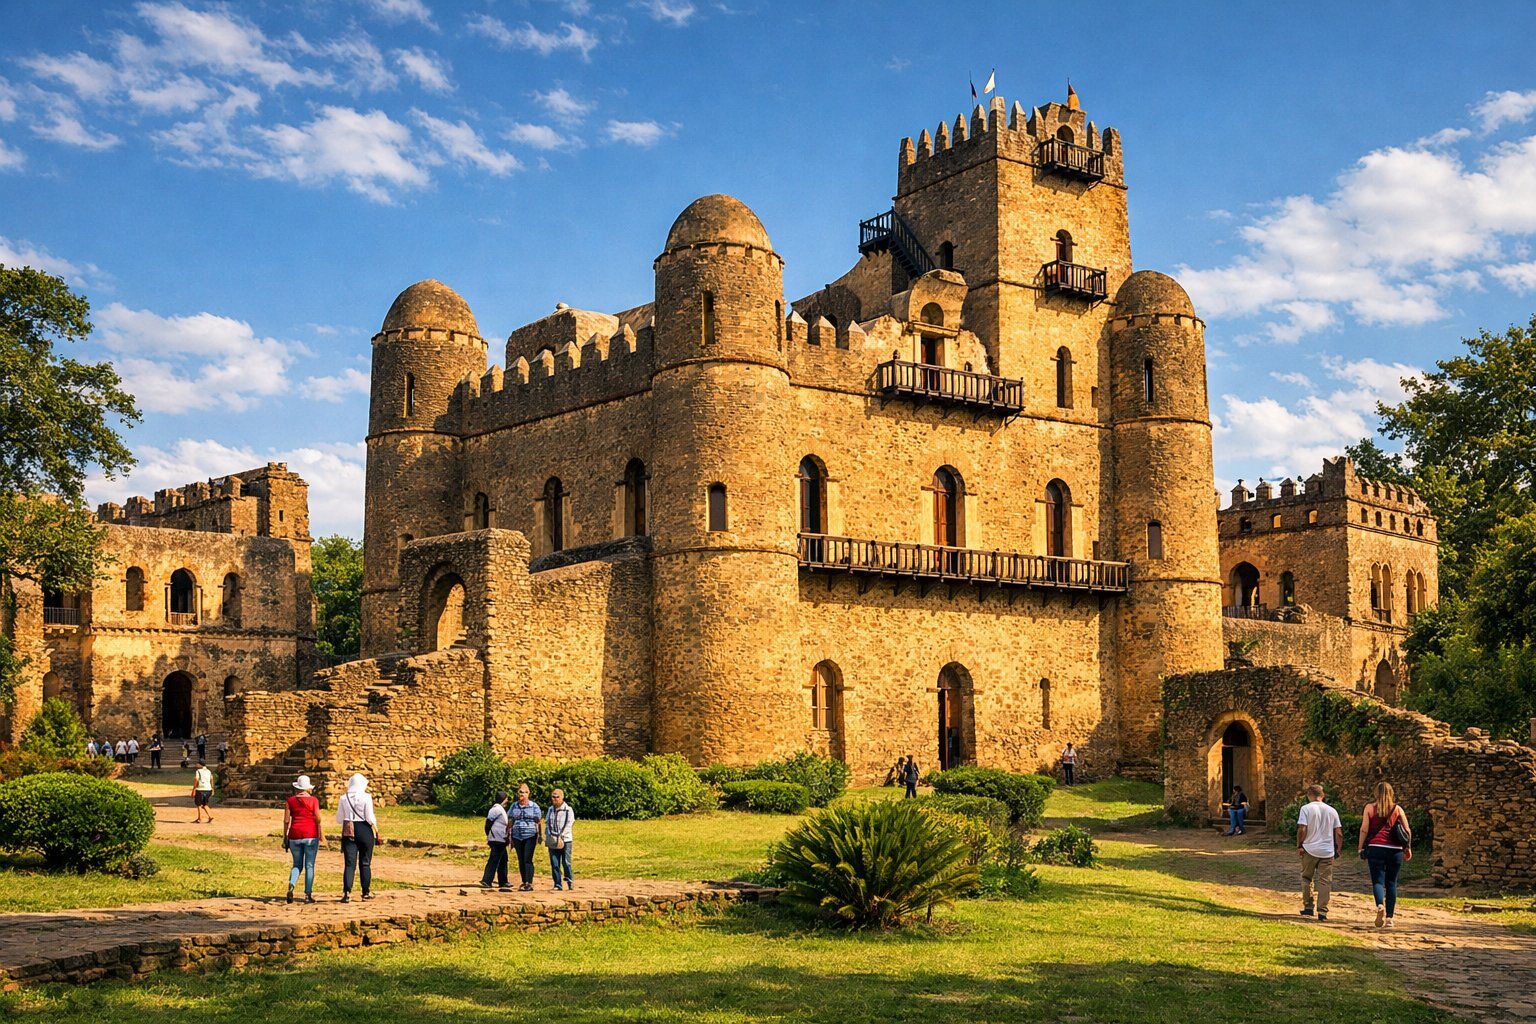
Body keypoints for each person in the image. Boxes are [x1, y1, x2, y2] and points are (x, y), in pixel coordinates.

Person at [1359, 780, 1413, 928]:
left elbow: (1364, 829)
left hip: (1375, 847)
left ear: (1376, 793)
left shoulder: (1370, 808)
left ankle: (1379, 905)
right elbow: (1407, 830)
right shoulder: (1397, 809)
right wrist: (1407, 847)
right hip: (1395, 850)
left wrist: (1360, 847)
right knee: (1391, 883)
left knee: (1377, 881)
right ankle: (1389, 918)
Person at [1296, 784, 1343, 921]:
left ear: (1309, 794)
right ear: (1323, 795)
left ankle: (1308, 906)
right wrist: (1338, 849)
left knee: (1306, 878)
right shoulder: (1332, 811)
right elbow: (1338, 833)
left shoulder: (1306, 809)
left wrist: (1300, 844)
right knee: (1325, 881)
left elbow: (1302, 828)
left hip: (1309, 848)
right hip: (1327, 851)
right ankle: (1322, 911)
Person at [337, 773, 380, 903]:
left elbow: (339, 819)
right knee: (365, 862)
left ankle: (347, 892)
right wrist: (376, 828)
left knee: (349, 864)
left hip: (349, 830)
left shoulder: (343, 798)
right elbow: (369, 817)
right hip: (364, 830)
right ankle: (365, 892)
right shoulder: (366, 797)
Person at [284, 775, 324, 904]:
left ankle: (292, 884)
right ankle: (308, 894)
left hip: (294, 834)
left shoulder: (290, 801)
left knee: (297, 864)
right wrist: (320, 831)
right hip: (310, 834)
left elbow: (286, 820)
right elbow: (318, 818)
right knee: (309, 865)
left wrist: (285, 836)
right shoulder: (313, 801)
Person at [508, 783, 543, 891]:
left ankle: (529, 882)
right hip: (517, 835)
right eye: (521, 792)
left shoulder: (534, 806)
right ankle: (524, 881)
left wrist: (540, 835)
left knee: (527, 858)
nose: (522, 794)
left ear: (529, 794)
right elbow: (510, 821)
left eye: (525, 792)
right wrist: (509, 835)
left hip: (530, 835)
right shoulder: (514, 806)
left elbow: (539, 821)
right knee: (521, 859)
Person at [544, 788, 576, 891]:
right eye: (553, 796)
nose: (555, 799)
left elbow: (569, 824)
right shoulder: (550, 809)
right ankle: (557, 883)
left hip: (565, 839)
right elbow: (547, 823)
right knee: (554, 862)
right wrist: (550, 835)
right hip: (553, 839)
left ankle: (569, 880)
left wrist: (561, 836)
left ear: (562, 797)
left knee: (566, 862)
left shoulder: (568, 810)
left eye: (557, 797)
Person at [481, 790, 512, 892]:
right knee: (494, 860)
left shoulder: (500, 809)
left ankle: (503, 881)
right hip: (497, 839)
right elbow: (488, 824)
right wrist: (490, 835)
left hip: (501, 839)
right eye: (506, 798)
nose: (507, 800)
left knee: (503, 860)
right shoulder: (496, 809)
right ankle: (487, 880)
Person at [191, 759, 215, 823]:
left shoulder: (198, 771)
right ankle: (210, 816)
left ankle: (199, 818)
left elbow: (196, 779)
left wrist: (194, 788)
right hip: (208, 789)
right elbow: (211, 779)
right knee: (205, 804)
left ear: (200, 764)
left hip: (200, 789)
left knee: (198, 804)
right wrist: (212, 788)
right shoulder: (208, 771)